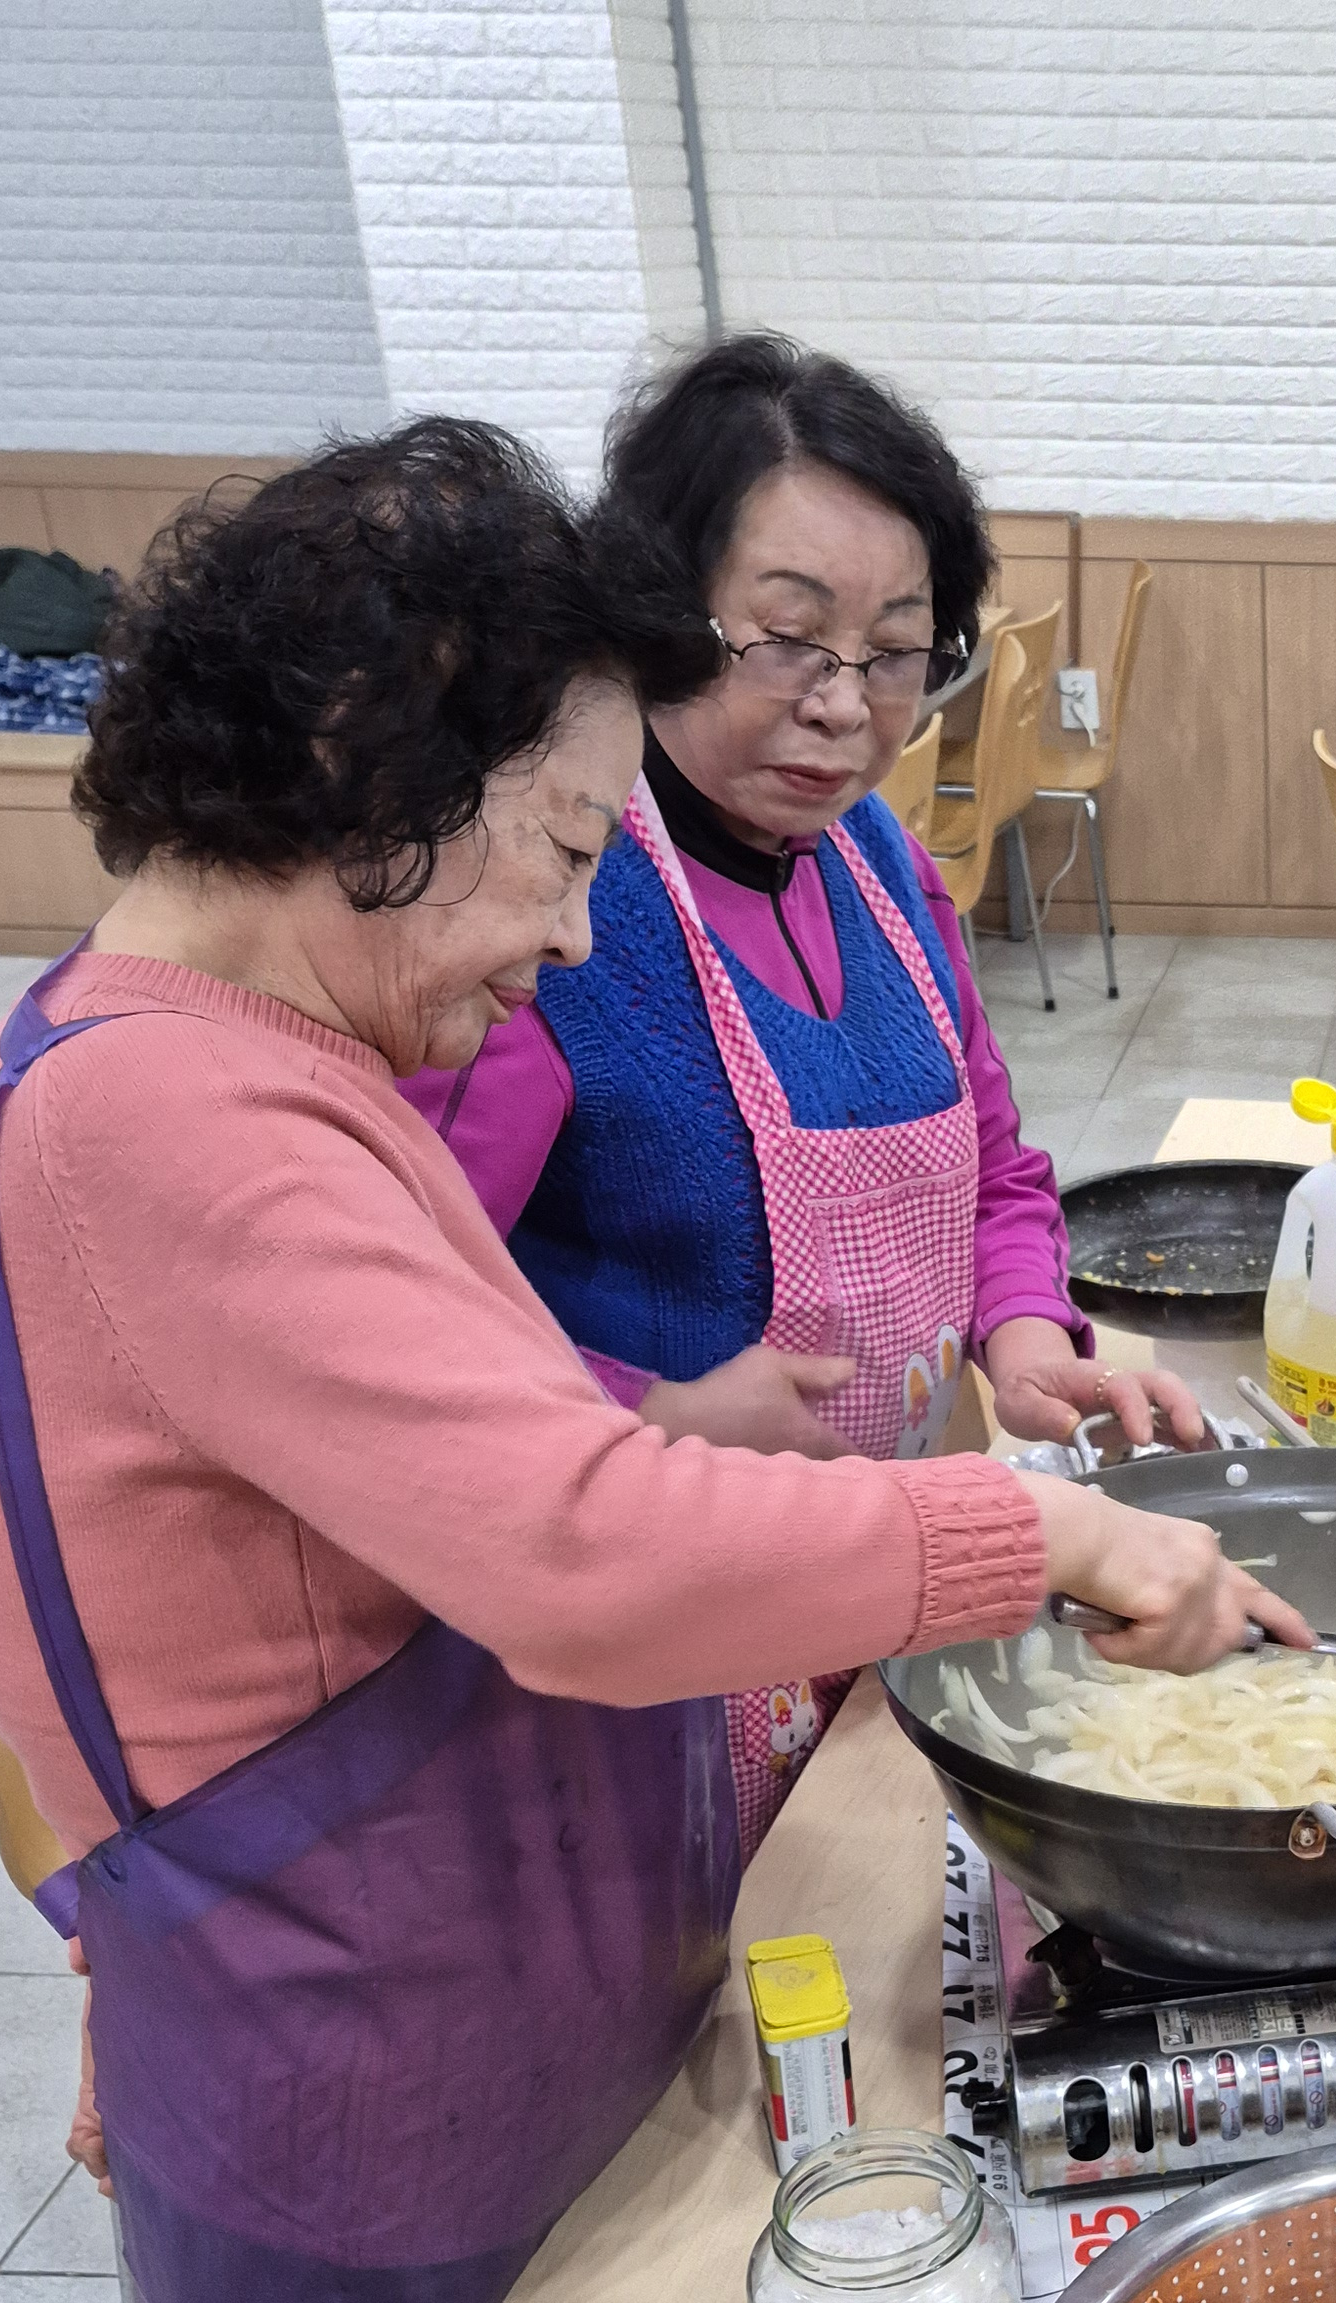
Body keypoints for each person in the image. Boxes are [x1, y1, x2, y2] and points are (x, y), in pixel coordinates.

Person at [0, 422, 1298, 2303]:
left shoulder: (247, 1059)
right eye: (570, 845)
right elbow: (576, 1548)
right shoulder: (166, 1121)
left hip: (482, 2006)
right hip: (371, 2080)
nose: (585, 938)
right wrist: (1038, 1528)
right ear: (378, 770)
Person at [404, 335, 1187, 1855]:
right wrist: (654, 1410)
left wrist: (1026, 1334)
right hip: (648, 1658)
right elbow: (402, 1330)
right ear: (657, 610)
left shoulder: (883, 865)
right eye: (787, 639)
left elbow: (996, 1169)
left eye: (896, 652)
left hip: (881, 1586)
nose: (845, 706)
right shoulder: (550, 922)